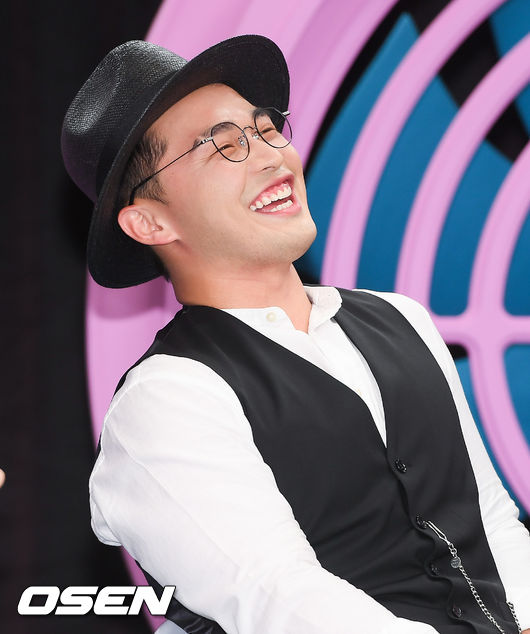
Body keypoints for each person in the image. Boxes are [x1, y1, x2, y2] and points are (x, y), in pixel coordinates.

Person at [61, 35, 530, 634]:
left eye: (266, 129)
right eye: (223, 145)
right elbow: (279, 601)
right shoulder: (165, 400)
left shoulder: (403, 319)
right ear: (150, 222)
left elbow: (492, 524)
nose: (269, 156)